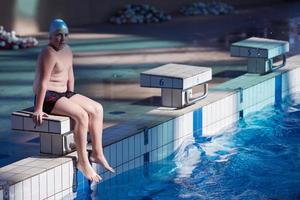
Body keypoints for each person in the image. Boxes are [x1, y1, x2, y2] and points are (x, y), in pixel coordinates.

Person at [32, 19, 114, 182]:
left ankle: (97, 153)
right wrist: (38, 108)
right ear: (50, 37)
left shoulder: (67, 50)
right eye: (58, 35)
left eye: (65, 35)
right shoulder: (48, 53)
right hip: (49, 96)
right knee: (82, 116)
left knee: (97, 109)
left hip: (64, 93)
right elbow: (42, 82)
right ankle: (83, 161)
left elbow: (70, 75)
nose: (62, 39)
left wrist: (72, 97)